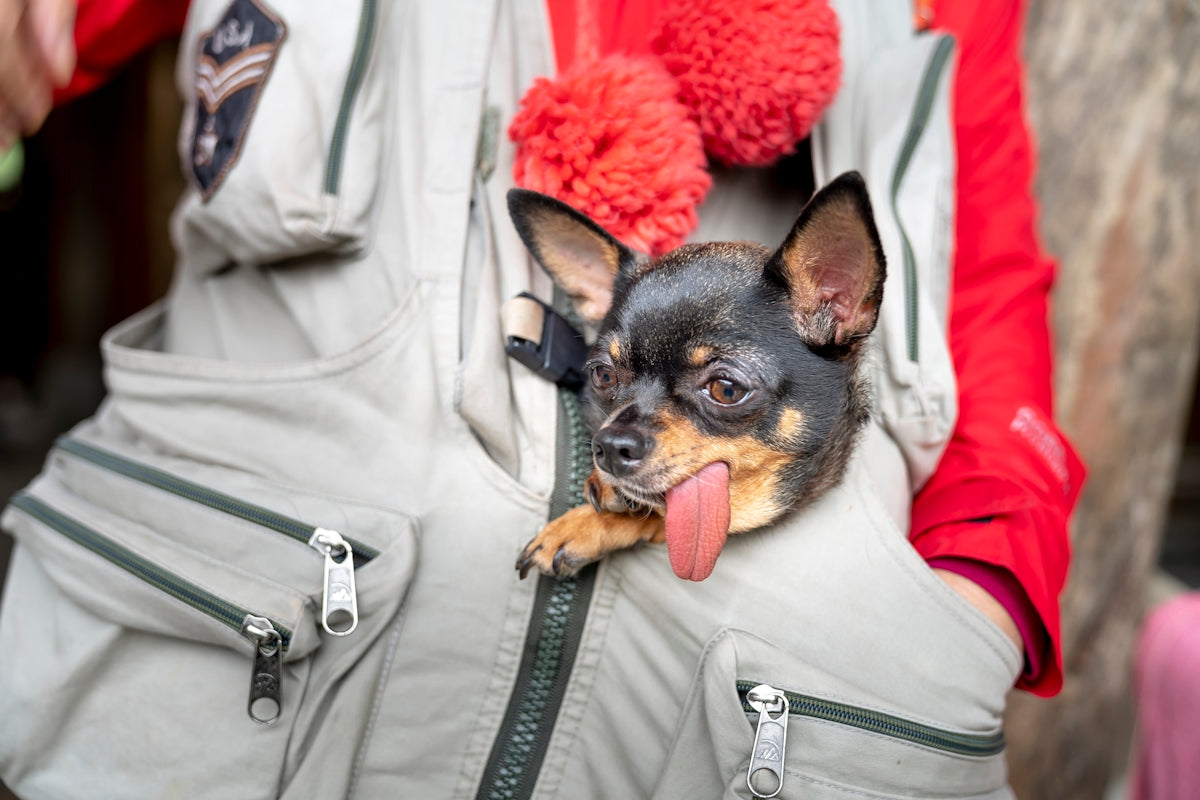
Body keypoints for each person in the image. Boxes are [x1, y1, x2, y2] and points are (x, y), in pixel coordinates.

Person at [0, 0, 1083, 798]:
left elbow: (987, 288)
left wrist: (978, 599)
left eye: (717, 385)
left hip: (733, 721)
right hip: (251, 677)